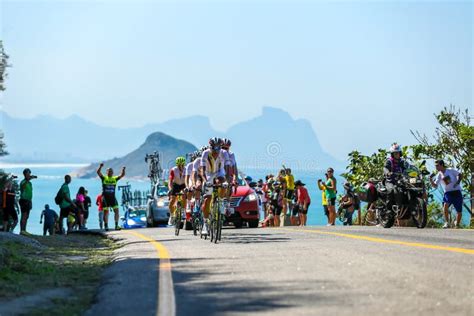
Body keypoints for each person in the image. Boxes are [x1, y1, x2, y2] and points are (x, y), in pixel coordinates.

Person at [200, 137, 228, 235]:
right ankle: (205, 224)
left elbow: (228, 169)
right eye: (213, 148)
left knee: (224, 184)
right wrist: (205, 181)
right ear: (210, 147)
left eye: (218, 148)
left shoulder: (223, 153)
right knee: (207, 199)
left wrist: (227, 181)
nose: (216, 151)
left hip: (219, 172)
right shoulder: (205, 153)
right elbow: (202, 170)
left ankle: (221, 202)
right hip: (208, 174)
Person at [430, 159, 463, 228]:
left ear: (442, 165)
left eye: (437, 165)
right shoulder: (439, 175)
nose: (436, 167)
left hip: (456, 192)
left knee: (459, 211)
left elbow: (460, 175)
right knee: (445, 206)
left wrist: (458, 182)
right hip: (448, 193)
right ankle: (447, 223)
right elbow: (435, 185)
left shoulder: (450, 170)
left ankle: (457, 224)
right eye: (435, 166)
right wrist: (431, 180)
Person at [97, 163, 126, 231]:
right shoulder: (104, 178)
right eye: (109, 171)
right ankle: (106, 226)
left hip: (112, 198)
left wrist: (123, 169)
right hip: (105, 198)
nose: (110, 172)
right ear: (106, 172)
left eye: (111, 171)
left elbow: (122, 175)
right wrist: (100, 166)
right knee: (106, 212)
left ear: (113, 172)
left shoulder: (114, 179)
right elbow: (98, 172)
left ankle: (116, 225)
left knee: (117, 211)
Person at [383, 143, 408, 211]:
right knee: (391, 191)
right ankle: (388, 209)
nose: (397, 154)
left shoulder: (402, 161)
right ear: (392, 154)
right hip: (390, 181)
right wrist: (388, 173)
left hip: (401, 180)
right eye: (395, 153)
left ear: (400, 153)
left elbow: (408, 167)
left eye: (398, 153)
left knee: (408, 188)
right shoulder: (389, 161)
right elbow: (385, 168)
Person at [168, 156, 187, 225]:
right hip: (175, 185)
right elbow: (170, 181)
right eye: (179, 165)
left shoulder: (186, 169)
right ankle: (172, 215)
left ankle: (183, 211)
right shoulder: (173, 170)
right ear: (177, 165)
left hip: (183, 185)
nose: (181, 166)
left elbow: (187, 179)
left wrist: (187, 187)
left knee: (184, 196)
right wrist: (170, 189)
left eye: (182, 165)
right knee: (172, 201)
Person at [19, 168, 36, 235]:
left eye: (29, 174)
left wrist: (31, 201)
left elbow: (30, 192)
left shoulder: (30, 183)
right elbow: (22, 187)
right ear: (25, 174)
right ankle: (22, 230)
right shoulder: (23, 182)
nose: (29, 175)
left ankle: (24, 230)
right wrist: (27, 180)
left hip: (28, 200)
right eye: (27, 174)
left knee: (26, 216)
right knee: (24, 215)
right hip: (23, 200)